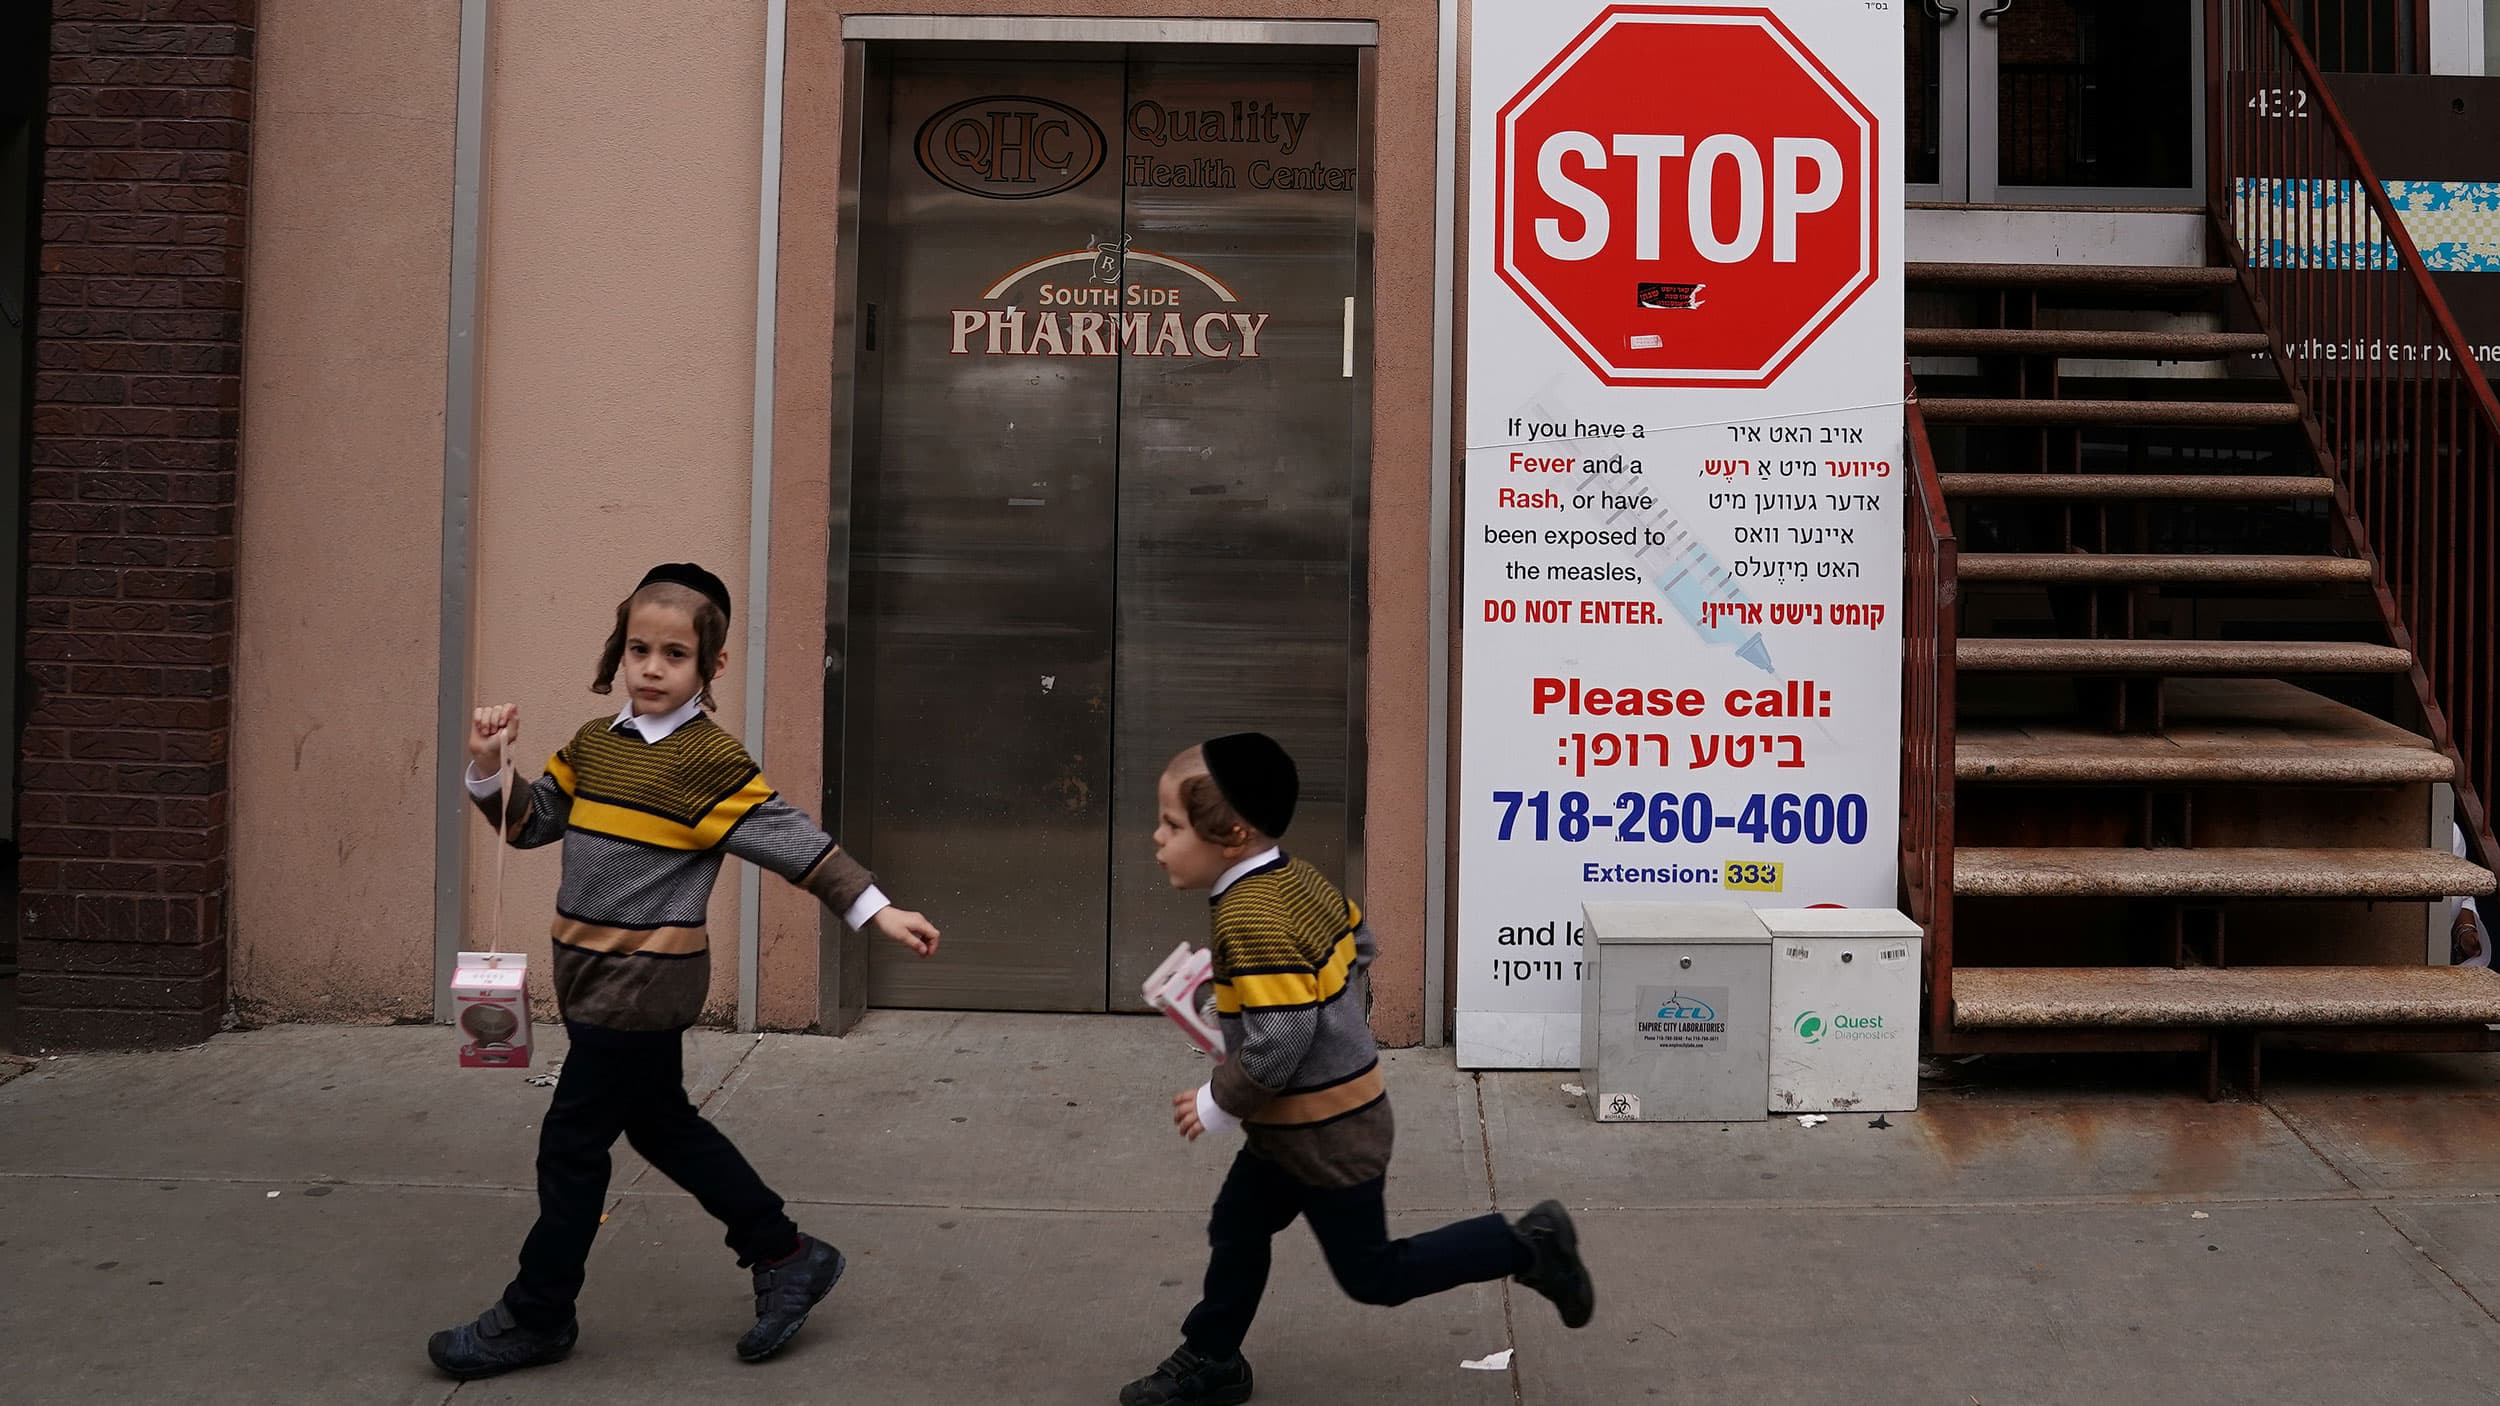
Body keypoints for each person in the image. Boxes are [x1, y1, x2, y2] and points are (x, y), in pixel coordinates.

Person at [426, 563, 941, 1380]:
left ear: (712, 667)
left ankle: (538, 1312)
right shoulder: (596, 745)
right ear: (619, 652)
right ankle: (784, 1252)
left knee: (571, 1143)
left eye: (674, 653)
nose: (653, 667)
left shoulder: (709, 763)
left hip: (646, 982)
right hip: (587, 975)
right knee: (661, 1122)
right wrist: (489, 764)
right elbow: (531, 824)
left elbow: (795, 842)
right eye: (639, 649)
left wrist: (877, 910)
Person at [1123, 733, 1594, 1406]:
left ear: (1229, 832)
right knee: (1237, 1226)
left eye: (1171, 824)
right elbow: (1357, 943)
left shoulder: (1252, 915)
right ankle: (1214, 1355)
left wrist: (1217, 1100)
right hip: (1301, 1124)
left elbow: (1280, 1044)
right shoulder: (1292, 877)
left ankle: (1529, 1247)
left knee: (1375, 1275)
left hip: (1328, 1134)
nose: (1157, 838)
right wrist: (1313, 1015)